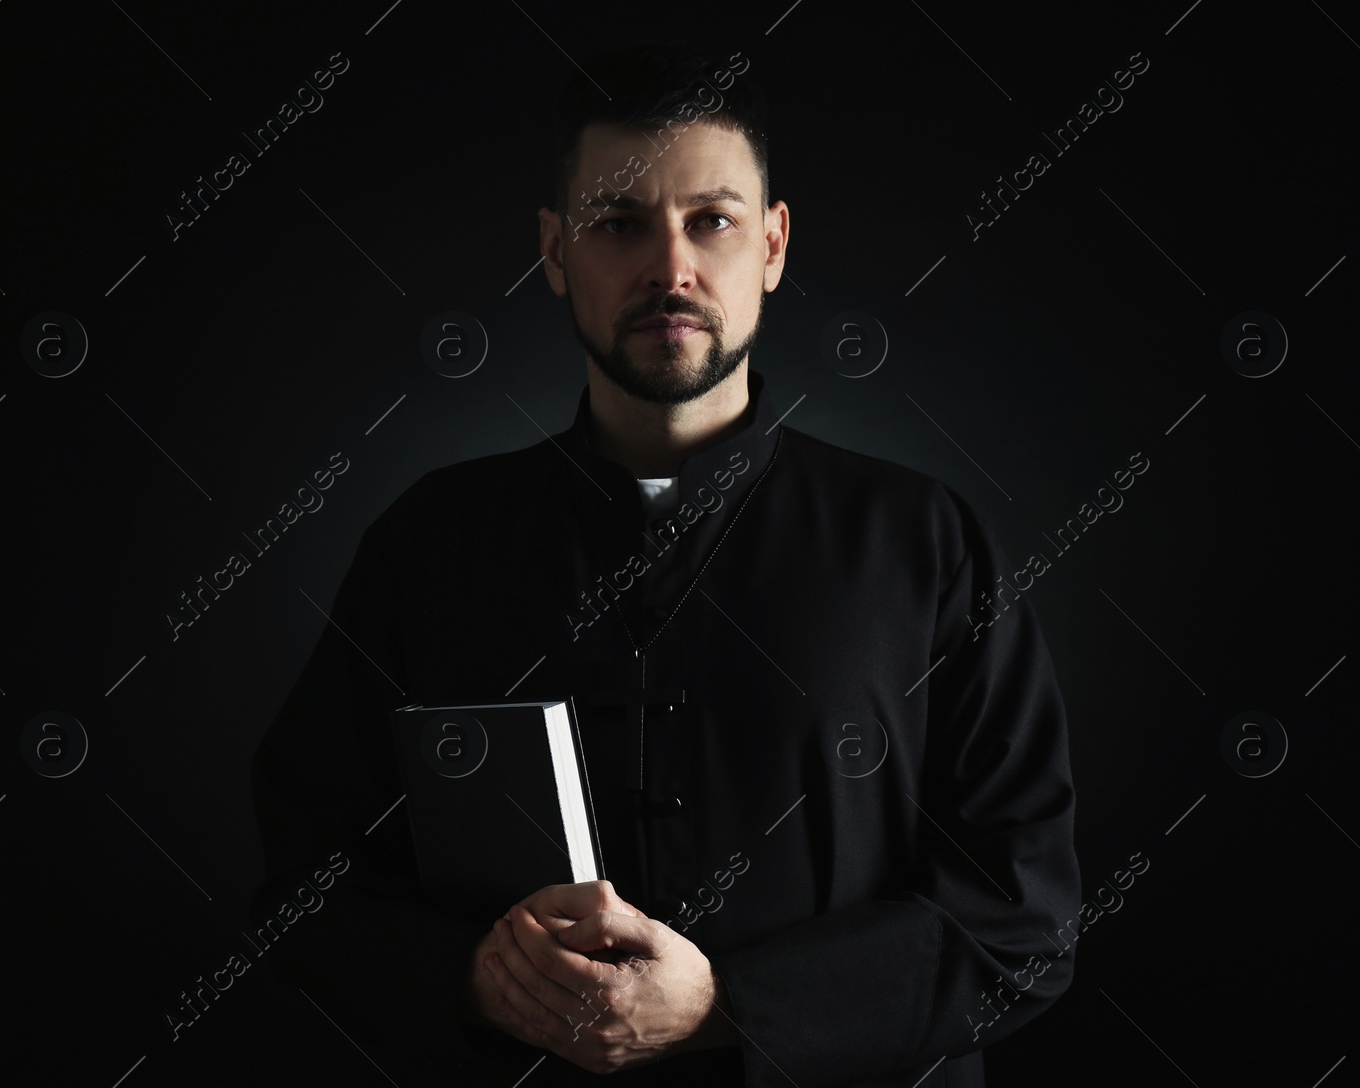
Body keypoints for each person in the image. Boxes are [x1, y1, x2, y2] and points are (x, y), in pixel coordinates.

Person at [249, 40, 1080, 1087]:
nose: (670, 268)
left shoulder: (925, 542)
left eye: (712, 221)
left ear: (772, 245)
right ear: (554, 252)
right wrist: (473, 974)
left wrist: (729, 1006)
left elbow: (1023, 920)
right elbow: (305, 878)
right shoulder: (430, 541)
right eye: (617, 224)